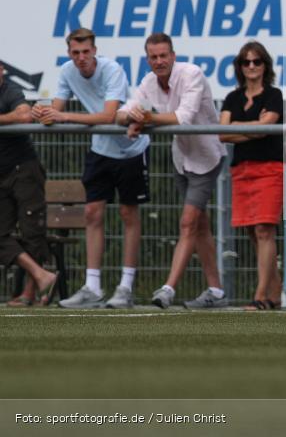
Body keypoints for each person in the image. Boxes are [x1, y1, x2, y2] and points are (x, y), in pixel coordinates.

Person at [34, 28, 150, 309]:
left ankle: (125, 287)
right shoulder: (67, 71)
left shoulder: (112, 70)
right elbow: (55, 108)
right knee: (92, 213)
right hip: (100, 149)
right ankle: (93, 287)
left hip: (131, 149)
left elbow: (109, 115)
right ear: (69, 53)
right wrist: (41, 111)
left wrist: (62, 115)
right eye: (75, 53)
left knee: (128, 213)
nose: (81, 58)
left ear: (95, 51)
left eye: (86, 52)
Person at [118, 32, 228, 309]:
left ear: (173, 56)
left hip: (207, 157)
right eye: (153, 57)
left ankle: (167, 289)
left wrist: (144, 119)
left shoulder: (192, 74)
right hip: (181, 158)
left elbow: (183, 117)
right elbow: (126, 111)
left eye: (163, 56)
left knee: (188, 222)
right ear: (148, 60)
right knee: (199, 225)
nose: (159, 61)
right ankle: (216, 291)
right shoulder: (148, 82)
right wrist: (133, 117)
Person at [220, 42, 284, 311]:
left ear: (265, 65)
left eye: (257, 61)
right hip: (241, 169)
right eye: (246, 62)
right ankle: (275, 292)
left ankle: (260, 297)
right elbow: (222, 133)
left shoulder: (274, 94)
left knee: (264, 230)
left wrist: (239, 127)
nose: (251, 67)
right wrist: (254, 129)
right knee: (252, 232)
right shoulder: (232, 98)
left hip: (269, 168)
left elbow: (268, 127)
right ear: (240, 66)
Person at [0, 62, 59, 305]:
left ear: (1, 71)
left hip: (23, 169)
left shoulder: (10, 91)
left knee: (32, 231)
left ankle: (30, 293)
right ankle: (42, 276)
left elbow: (24, 114)